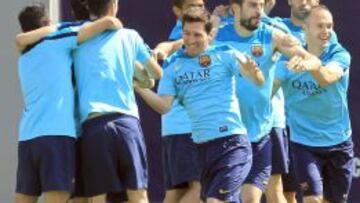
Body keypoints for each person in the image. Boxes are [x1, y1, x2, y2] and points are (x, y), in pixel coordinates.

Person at [135, 7, 264, 203]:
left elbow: (257, 80)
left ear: (210, 34)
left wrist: (253, 72)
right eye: (187, 34)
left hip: (232, 144)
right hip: (201, 149)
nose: (191, 40)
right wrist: (138, 87)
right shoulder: (172, 65)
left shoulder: (225, 53)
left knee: (214, 201)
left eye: (197, 34)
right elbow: (164, 106)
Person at [215, 0, 322, 202]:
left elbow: (314, 59)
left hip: (260, 134)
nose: (259, 11)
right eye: (253, 5)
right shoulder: (216, 36)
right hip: (225, 134)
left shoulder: (272, 35)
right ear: (236, 8)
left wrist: (306, 62)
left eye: (261, 5)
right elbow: (187, 51)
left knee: (252, 197)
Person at [15, 4, 122, 203]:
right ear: (46, 23)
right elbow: (105, 23)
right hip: (55, 136)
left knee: (24, 199)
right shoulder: (57, 39)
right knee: (59, 197)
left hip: (27, 138)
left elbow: (20, 40)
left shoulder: (23, 57)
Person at [72, 0, 163, 202]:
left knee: (98, 198)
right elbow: (155, 74)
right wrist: (136, 68)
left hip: (94, 126)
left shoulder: (77, 39)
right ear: (114, 5)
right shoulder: (131, 36)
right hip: (127, 124)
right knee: (138, 196)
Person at [273, 5, 353, 203]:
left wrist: (313, 64)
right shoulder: (288, 61)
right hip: (303, 143)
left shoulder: (339, 54)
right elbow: (265, 94)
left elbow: (327, 77)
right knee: (313, 200)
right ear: (305, 28)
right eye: (320, 26)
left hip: (339, 142)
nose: (326, 31)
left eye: (329, 26)